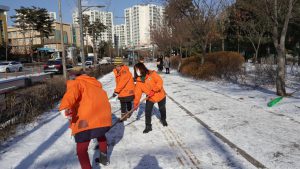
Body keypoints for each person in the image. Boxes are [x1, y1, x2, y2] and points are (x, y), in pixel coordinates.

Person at [59, 70, 112, 169]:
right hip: (103, 120)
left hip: (86, 122)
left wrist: (64, 107)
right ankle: (104, 159)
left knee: (81, 150)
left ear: (75, 76)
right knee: (101, 136)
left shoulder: (77, 82)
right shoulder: (96, 85)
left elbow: (71, 95)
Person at [133, 63, 168, 134]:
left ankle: (163, 119)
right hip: (150, 97)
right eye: (135, 70)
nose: (137, 71)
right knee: (148, 110)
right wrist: (136, 103)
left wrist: (154, 90)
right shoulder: (139, 81)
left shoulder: (151, 73)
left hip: (160, 94)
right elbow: (137, 93)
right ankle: (148, 126)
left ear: (141, 68)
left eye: (138, 69)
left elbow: (160, 81)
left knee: (162, 108)